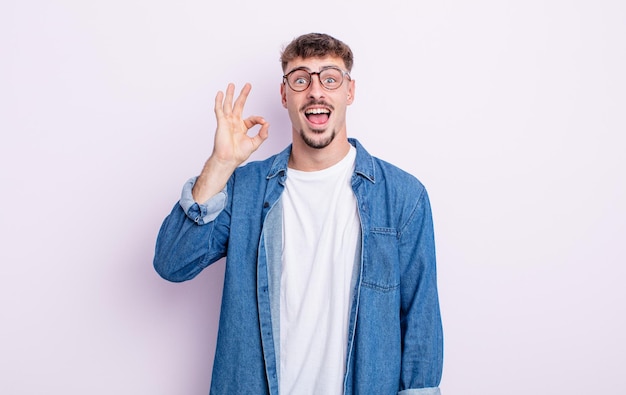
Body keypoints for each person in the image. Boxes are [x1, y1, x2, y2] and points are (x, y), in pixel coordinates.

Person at [154, 32, 443, 395]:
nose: (316, 91)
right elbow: (171, 262)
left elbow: (420, 321)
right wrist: (220, 165)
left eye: (330, 78)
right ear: (284, 94)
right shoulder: (246, 188)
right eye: (301, 79)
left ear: (349, 92)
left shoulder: (402, 196)